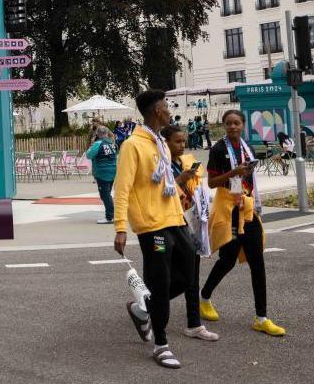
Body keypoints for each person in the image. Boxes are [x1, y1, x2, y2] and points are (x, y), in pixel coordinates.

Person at [113, 89, 197, 369]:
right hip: (151, 225)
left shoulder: (160, 142)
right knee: (160, 283)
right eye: (165, 105)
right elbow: (122, 189)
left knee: (187, 275)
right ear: (155, 111)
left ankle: (141, 308)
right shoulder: (132, 145)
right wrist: (121, 228)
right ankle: (161, 345)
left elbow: (162, 180)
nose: (169, 108)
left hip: (175, 219)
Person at [200, 109, 286, 337]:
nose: (233, 127)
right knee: (227, 260)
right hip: (228, 210)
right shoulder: (219, 149)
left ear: (243, 124)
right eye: (228, 124)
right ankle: (204, 297)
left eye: (237, 123)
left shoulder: (247, 147)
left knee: (258, 263)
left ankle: (262, 318)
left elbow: (248, 178)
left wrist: (245, 174)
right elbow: (211, 183)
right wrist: (233, 173)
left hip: (247, 209)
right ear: (224, 126)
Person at [161, 124, 219, 342]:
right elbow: (159, 194)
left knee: (192, 275)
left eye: (184, 141)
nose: (182, 145)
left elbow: (196, 190)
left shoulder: (184, 162)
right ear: (165, 142)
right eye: (177, 141)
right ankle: (147, 305)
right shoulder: (162, 164)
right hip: (168, 225)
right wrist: (180, 180)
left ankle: (194, 323)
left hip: (190, 223)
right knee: (169, 275)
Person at [86, 127, 117, 224]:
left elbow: (88, 155)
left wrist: (92, 145)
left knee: (105, 195)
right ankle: (111, 214)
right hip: (112, 171)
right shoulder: (112, 144)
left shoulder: (98, 144)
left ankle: (109, 216)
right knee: (107, 193)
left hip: (101, 172)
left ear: (98, 134)